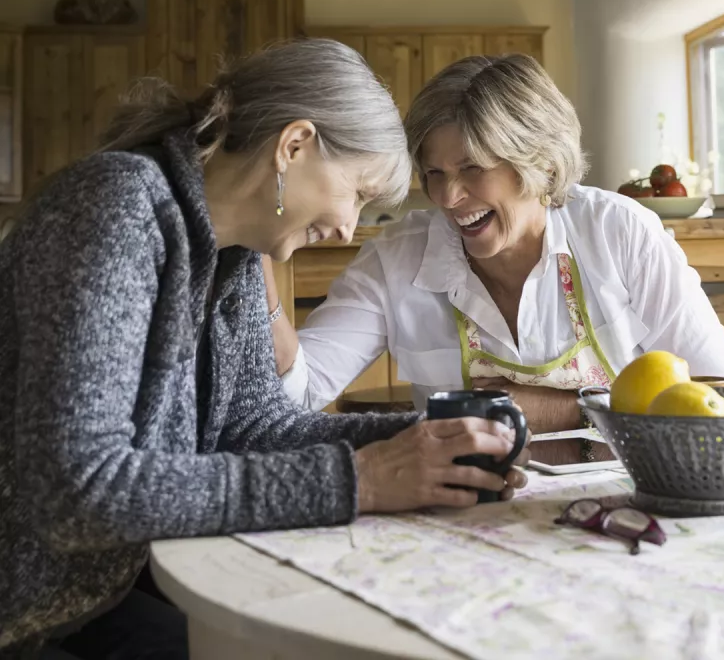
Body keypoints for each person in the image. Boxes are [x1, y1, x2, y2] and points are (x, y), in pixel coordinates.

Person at [0, 39, 529, 659]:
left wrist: (425, 440)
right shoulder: (117, 208)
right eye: (355, 193)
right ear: (294, 145)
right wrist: (358, 479)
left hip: (93, 599)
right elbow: (75, 491)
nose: (347, 228)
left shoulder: (237, 254)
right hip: (21, 611)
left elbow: (253, 427)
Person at [275, 53, 724, 448]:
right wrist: (255, 256)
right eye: (434, 173)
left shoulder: (619, 232)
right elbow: (300, 390)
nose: (447, 196)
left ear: (537, 161)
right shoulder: (396, 259)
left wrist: (564, 409)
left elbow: (722, 395)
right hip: (470, 519)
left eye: (473, 168)